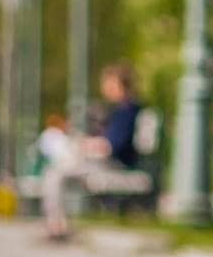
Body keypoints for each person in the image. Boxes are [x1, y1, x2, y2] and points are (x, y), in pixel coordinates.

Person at [40, 64, 142, 241]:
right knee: (57, 169)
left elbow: (111, 147)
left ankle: (56, 226)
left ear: (120, 85)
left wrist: (84, 144)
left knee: (55, 174)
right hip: (103, 163)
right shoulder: (118, 110)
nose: (105, 88)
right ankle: (56, 223)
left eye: (109, 84)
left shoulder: (127, 111)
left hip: (113, 166)